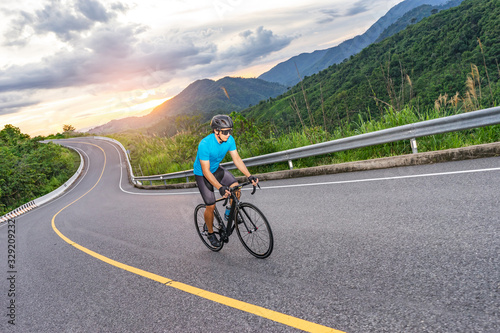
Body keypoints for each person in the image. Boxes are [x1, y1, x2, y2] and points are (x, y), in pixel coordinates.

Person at [193, 114, 258, 247]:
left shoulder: (229, 140)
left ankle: (229, 213)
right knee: (210, 205)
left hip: (216, 169)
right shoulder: (205, 144)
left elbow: (237, 159)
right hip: (202, 174)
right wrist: (220, 187)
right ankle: (210, 233)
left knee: (236, 187)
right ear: (216, 131)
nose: (228, 134)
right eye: (225, 131)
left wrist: (249, 175)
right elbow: (206, 171)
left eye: (230, 131)